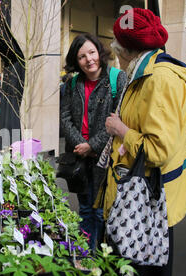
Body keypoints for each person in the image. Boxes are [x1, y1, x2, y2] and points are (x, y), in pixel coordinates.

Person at [102, 8, 186, 276]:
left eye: (116, 49)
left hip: (149, 205)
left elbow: (158, 149)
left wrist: (121, 129)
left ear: (128, 51)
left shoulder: (159, 80)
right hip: (141, 200)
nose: (116, 56)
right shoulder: (148, 72)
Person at [60, 33, 127, 251]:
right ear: (75, 61)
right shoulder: (72, 83)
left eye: (92, 52)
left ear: (99, 52)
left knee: (101, 212)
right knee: (86, 209)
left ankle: (100, 259)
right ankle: (85, 257)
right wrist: (81, 144)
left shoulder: (117, 79)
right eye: (81, 56)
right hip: (79, 157)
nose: (89, 59)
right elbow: (65, 117)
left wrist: (93, 146)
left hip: (105, 157)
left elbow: (120, 118)